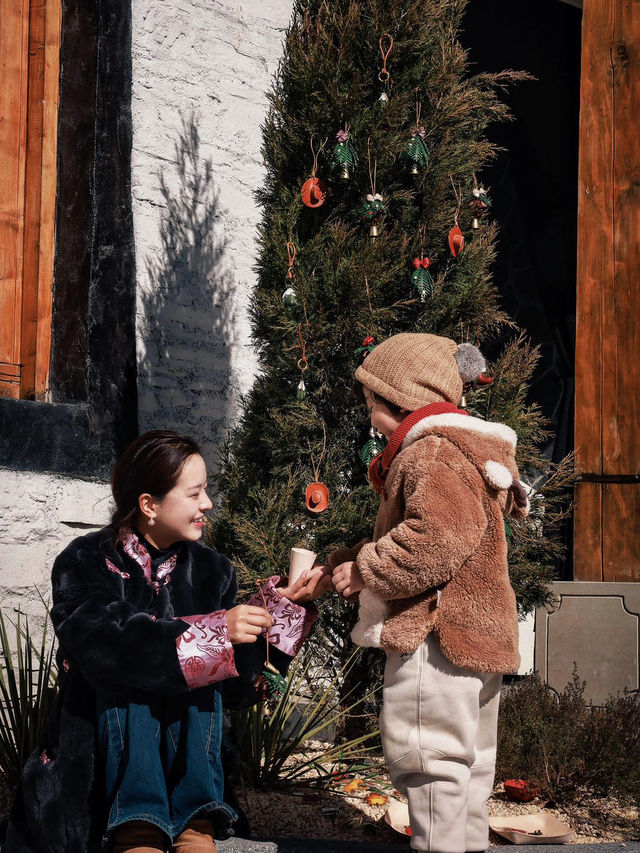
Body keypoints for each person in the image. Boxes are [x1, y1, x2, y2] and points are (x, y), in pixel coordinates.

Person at [5, 430, 325, 853]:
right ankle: (138, 827)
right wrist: (211, 633)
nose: (207, 504)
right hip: (99, 778)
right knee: (137, 673)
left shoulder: (214, 571)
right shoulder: (85, 561)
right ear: (149, 505)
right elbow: (106, 648)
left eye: (205, 491)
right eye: (194, 494)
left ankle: (197, 821)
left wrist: (280, 613)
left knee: (200, 669)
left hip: (190, 788)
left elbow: (237, 688)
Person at [330, 333, 530, 853]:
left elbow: (434, 541)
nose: (368, 415)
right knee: (466, 762)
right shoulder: (462, 452)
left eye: (371, 403)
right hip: (475, 633)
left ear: (398, 401)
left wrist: (366, 570)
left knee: (428, 755)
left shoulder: (432, 453)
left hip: (435, 636)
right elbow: (441, 531)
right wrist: (344, 564)